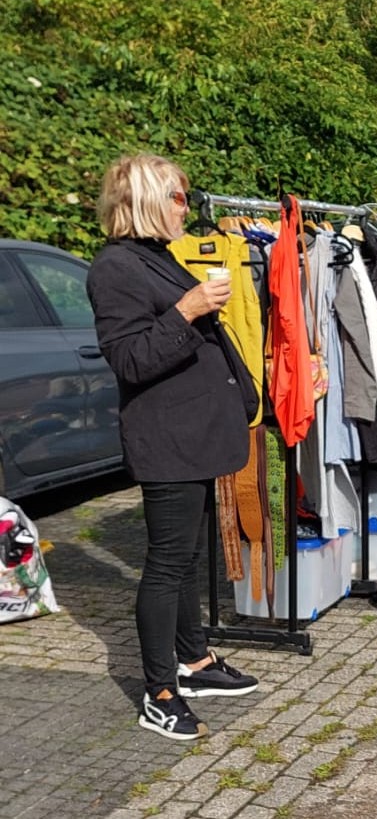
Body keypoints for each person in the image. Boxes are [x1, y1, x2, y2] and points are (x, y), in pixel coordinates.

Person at [87, 154, 259, 741]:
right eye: (178, 197)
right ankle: (158, 692)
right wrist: (188, 309)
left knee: (187, 557)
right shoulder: (115, 267)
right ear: (144, 200)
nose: (188, 207)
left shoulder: (158, 257)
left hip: (198, 434)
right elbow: (131, 359)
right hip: (168, 438)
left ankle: (195, 661)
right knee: (166, 563)